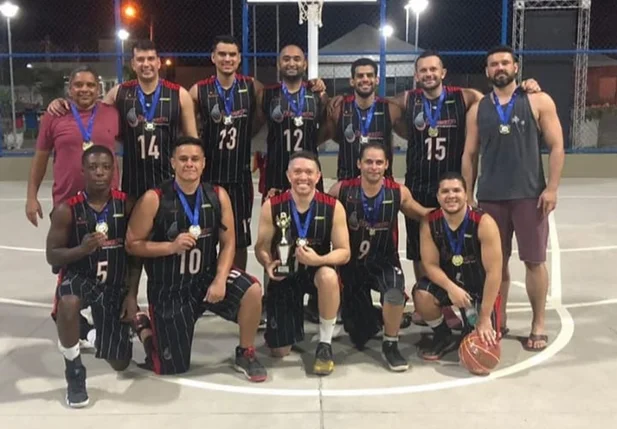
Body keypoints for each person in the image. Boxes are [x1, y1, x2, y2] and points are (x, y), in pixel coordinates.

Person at [389, 50, 540, 327]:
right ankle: (432, 305)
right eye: (423, 70)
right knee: (421, 251)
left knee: (460, 247)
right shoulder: (408, 100)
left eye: (434, 69)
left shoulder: (465, 96)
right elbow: (385, 112)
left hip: (452, 187)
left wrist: (525, 87)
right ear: (416, 75)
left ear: (443, 72)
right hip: (419, 185)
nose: (429, 74)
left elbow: (498, 99)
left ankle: (467, 298)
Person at [124, 136, 267, 381]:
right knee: (171, 368)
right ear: (172, 163)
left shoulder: (217, 195)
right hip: (170, 288)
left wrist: (221, 278)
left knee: (252, 289)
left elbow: (228, 242)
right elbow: (132, 244)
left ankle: (245, 352)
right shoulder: (154, 198)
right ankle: (145, 328)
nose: (189, 164)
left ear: (203, 164)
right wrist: (170, 247)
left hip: (205, 278)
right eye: (183, 159)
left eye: (194, 159)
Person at [189, 35, 325, 271]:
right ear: (213, 57)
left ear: (239, 58)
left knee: (241, 240)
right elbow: (189, 128)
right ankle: (210, 285)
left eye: (232, 54)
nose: (227, 59)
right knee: (207, 237)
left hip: (242, 176)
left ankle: (240, 289)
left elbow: (325, 128)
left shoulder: (254, 87)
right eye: (222, 54)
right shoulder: (201, 91)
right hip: (211, 176)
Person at [461, 45, 565, 351]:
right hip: (491, 198)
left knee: (534, 261)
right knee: (497, 264)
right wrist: (468, 193)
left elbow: (557, 146)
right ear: (487, 71)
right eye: (493, 64)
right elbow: (469, 154)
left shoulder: (537, 100)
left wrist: (553, 188)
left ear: (516, 67)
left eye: (505, 62)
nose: (499, 68)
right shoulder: (478, 109)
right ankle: (498, 319)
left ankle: (538, 324)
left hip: (530, 196)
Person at [28, 64, 121, 349]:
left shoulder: (111, 114)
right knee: (68, 259)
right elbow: (41, 157)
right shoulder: (54, 116)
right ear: (70, 88)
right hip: (68, 201)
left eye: (90, 85)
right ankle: (65, 314)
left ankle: (108, 314)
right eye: (78, 85)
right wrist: (31, 195)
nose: (84, 90)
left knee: (104, 256)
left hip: (106, 200)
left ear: (98, 89)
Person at [47, 40, 198, 203]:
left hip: (170, 180)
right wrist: (65, 103)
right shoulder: (118, 93)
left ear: (158, 62)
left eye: (150, 59)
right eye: (140, 59)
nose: (145, 64)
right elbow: (91, 111)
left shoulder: (179, 94)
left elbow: (192, 142)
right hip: (132, 183)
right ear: (133, 64)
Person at [45, 145, 137, 407]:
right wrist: (81, 249)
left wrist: (131, 295)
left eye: (106, 167)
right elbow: (52, 256)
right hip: (82, 279)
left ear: (113, 171)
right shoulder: (67, 209)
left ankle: (91, 333)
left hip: (114, 285)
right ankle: (74, 370)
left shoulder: (126, 204)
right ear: (83, 170)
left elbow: (135, 255)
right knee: (68, 302)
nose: (100, 173)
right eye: (94, 167)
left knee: (120, 363)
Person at [328, 143, 431, 371]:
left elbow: (420, 213)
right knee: (360, 334)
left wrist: (448, 211)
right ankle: (377, 317)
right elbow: (320, 208)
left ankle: (390, 344)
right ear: (359, 164)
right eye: (368, 162)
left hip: (385, 263)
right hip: (352, 267)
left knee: (394, 292)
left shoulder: (398, 192)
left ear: (386, 165)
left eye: (378, 162)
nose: (373, 167)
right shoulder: (342, 190)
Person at [254, 151, 350, 376]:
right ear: (288, 175)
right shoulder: (272, 206)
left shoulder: (333, 207)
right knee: (279, 351)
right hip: (285, 275)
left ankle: (325, 343)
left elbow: (344, 252)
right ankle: (290, 323)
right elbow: (261, 246)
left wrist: (319, 259)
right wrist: (267, 263)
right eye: (297, 172)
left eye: (308, 172)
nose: (303, 177)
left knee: (328, 276)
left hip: (316, 271)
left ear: (318, 176)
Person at [414, 172, 502, 361]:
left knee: (483, 350)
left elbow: (494, 273)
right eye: (445, 191)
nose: (451, 195)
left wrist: (485, 317)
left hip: (478, 289)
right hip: (449, 285)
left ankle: (476, 323)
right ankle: (442, 335)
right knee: (421, 294)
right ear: (437, 196)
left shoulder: (484, 223)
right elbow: (429, 265)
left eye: (456, 190)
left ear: (466, 193)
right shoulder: (430, 222)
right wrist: (451, 288)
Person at [261, 44, 329, 200]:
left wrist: (312, 141)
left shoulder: (317, 95)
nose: (291, 63)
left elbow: (327, 127)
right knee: (276, 220)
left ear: (304, 64)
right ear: (278, 64)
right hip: (276, 172)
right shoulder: (267, 94)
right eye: (286, 59)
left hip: (309, 171)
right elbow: (257, 123)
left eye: (297, 59)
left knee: (313, 219)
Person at [321, 58, 404, 181]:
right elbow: (328, 136)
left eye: (369, 75)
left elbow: (412, 135)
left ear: (377, 80)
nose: (365, 79)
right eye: (360, 76)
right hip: (348, 182)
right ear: (352, 81)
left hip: (382, 184)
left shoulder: (391, 109)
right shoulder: (339, 109)